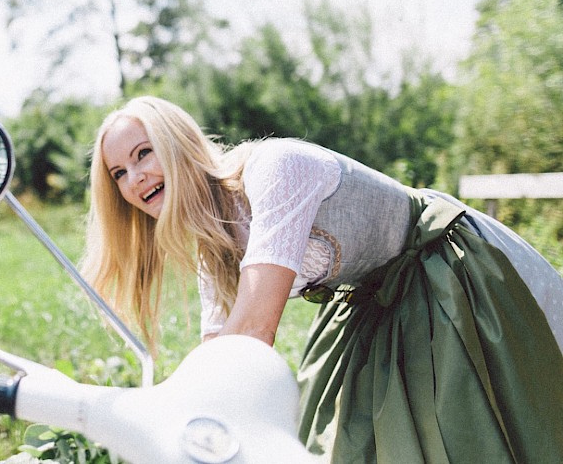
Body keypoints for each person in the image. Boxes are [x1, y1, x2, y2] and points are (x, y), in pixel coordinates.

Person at [81, 96, 563, 462]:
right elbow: (218, 354)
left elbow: (252, 334)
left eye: (144, 154)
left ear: (179, 142)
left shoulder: (273, 170)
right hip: (370, 298)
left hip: (446, 269)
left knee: (470, 431)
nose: (134, 180)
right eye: (119, 173)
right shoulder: (214, 237)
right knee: (343, 441)